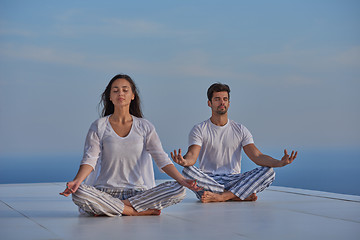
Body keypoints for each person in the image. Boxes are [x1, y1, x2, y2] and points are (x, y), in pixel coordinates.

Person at [60, 74, 201, 216]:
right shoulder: (99, 126)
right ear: (110, 97)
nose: (120, 93)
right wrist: (77, 181)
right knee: (79, 193)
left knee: (179, 190)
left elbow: (161, 158)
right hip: (104, 191)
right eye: (115, 90)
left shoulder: (145, 126)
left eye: (125, 90)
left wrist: (182, 180)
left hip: (137, 193)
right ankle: (133, 211)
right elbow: (90, 158)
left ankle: (111, 208)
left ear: (133, 96)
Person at [171, 83, 297, 203]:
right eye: (217, 99)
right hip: (208, 180)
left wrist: (279, 163)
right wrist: (184, 161)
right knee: (187, 171)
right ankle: (236, 195)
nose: (222, 102)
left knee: (269, 172)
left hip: (234, 179)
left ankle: (223, 196)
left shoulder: (240, 129)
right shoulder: (199, 129)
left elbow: (257, 156)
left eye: (225, 99)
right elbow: (192, 155)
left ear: (229, 103)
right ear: (209, 103)